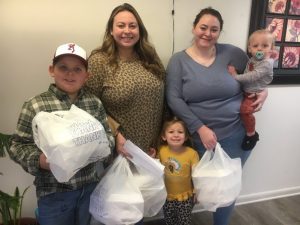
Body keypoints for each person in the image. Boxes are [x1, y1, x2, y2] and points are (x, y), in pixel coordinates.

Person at [166, 7, 268, 225]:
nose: (208, 33)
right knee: (188, 189)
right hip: (195, 140)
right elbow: (173, 99)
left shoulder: (233, 54)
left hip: (235, 136)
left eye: (214, 29)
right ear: (194, 28)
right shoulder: (178, 61)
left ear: (220, 32)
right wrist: (200, 128)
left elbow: (258, 73)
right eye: (203, 27)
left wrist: (264, 91)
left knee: (226, 189)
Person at [9, 43, 115, 225]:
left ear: (87, 75)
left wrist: (104, 148)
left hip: (89, 189)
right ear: (52, 70)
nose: (70, 73)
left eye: (77, 69)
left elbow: (107, 136)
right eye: (63, 67)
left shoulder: (94, 103)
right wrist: (39, 160)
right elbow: (17, 146)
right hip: (54, 193)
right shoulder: (35, 105)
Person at [85, 3, 165, 159]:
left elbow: (164, 101)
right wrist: (115, 133)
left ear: (139, 30)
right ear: (111, 30)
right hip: (120, 150)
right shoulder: (99, 61)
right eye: (121, 25)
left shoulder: (150, 57)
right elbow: (88, 106)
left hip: (153, 149)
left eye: (132, 26)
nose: (127, 31)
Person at [228, 29, 274, 150]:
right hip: (246, 92)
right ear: (249, 48)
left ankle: (251, 134)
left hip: (252, 94)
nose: (259, 49)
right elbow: (247, 71)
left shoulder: (266, 63)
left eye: (265, 46)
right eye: (255, 46)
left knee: (245, 111)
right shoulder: (254, 59)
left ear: (271, 48)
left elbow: (252, 75)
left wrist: (234, 76)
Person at [157, 117, 199, 225]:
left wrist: (197, 192)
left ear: (185, 137)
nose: (176, 135)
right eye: (171, 132)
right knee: (169, 221)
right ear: (164, 136)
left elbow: (197, 175)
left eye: (180, 132)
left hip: (185, 197)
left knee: (184, 221)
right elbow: (155, 168)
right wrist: (153, 157)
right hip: (167, 196)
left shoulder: (192, 153)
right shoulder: (161, 151)